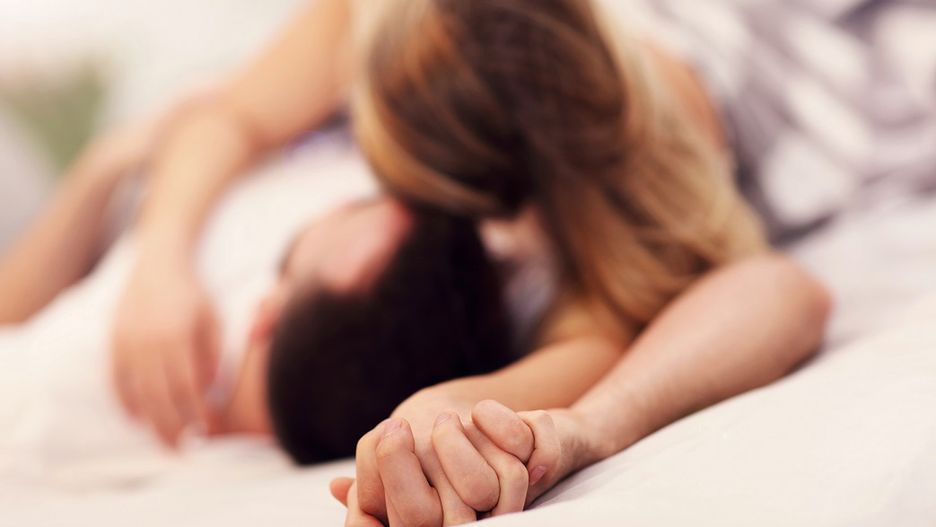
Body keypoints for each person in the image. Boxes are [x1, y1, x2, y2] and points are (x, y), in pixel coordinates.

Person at [82, 0, 830, 524]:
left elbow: (767, 292)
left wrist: (573, 426)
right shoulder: (409, 20)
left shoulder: (600, 213)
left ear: (478, 201)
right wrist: (160, 263)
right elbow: (226, 113)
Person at [0, 119, 513, 467]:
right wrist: (161, 254)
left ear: (264, 312)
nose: (339, 207)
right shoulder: (425, 210)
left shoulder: (58, 391)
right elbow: (217, 120)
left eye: (343, 222)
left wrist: (100, 169)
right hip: (174, 139)